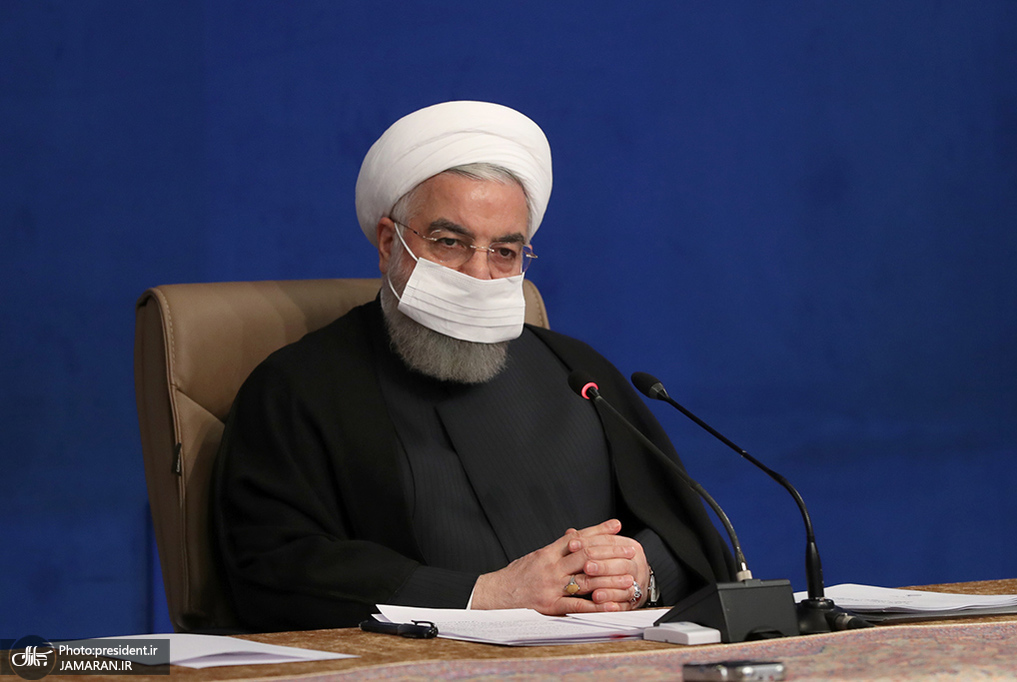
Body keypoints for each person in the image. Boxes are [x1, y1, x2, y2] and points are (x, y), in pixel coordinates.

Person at [213, 101, 735, 632]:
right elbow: (274, 567)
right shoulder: (299, 387)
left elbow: (686, 535)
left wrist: (640, 572)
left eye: (504, 252)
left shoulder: (575, 372)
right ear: (390, 243)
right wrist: (483, 596)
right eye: (450, 243)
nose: (479, 273)